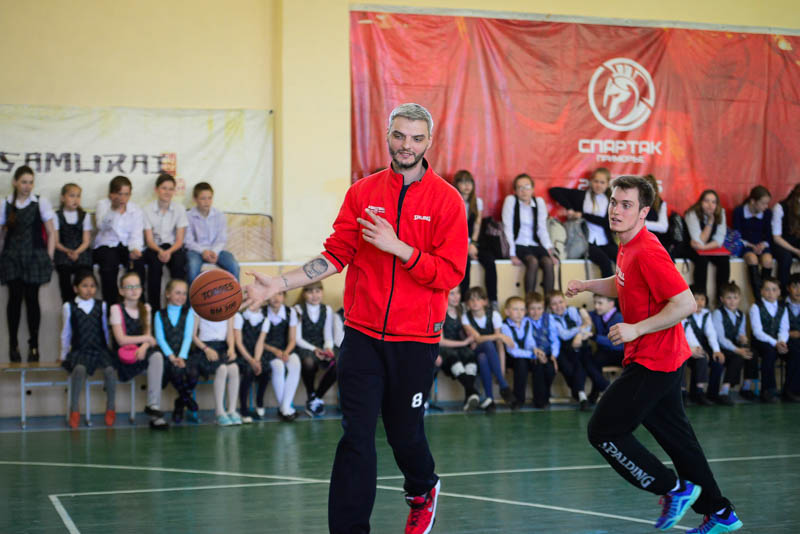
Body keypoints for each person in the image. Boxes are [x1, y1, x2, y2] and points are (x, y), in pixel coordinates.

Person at [244, 103, 467, 534]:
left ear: (429, 142)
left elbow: (450, 273)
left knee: (404, 435)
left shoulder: (447, 200)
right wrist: (278, 284)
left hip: (415, 339)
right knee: (356, 436)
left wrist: (399, 248)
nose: (406, 145)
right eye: (399, 135)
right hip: (362, 335)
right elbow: (335, 254)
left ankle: (423, 488)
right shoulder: (363, 193)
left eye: (416, 138)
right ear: (388, 135)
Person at [567, 175, 742, 533]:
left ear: (644, 212)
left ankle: (673, 489)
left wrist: (636, 329)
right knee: (679, 442)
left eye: (626, 205)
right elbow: (622, 283)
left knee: (603, 431)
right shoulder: (627, 245)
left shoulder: (648, 250)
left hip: (654, 360)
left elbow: (686, 303)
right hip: (662, 358)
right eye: (614, 202)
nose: (616, 210)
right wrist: (587, 285)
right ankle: (721, 513)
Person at [0, 165, 55, 362]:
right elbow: (2, 235)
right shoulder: (5, 203)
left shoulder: (40, 202)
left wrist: (49, 257)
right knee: (14, 299)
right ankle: (13, 344)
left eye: (30, 182)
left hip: (34, 257)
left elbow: (51, 233)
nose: (27, 186)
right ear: (15, 182)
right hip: (12, 257)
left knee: (32, 299)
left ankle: (34, 345)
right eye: (24, 182)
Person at [109, 271, 168, 429]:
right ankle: (155, 412)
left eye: (137, 286)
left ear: (141, 289)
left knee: (157, 357)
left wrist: (143, 347)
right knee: (152, 354)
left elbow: (148, 336)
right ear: (121, 291)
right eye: (129, 287)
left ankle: (153, 407)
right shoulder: (116, 309)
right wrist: (146, 340)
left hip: (141, 352)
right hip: (123, 355)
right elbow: (121, 339)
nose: (134, 290)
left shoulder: (146, 308)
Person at [60, 270, 116, 428]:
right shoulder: (69, 306)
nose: (89, 289)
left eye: (92, 286)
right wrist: (63, 354)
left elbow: (104, 329)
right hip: (80, 350)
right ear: (75, 288)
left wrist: (107, 348)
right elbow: (66, 332)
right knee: (79, 369)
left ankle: (111, 407)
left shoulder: (101, 305)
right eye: (84, 286)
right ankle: (74, 409)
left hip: (99, 349)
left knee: (110, 370)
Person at [550, 168, 617, 277]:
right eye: (596, 181)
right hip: (585, 242)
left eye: (602, 182)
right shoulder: (581, 196)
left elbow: (607, 222)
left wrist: (583, 215)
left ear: (607, 184)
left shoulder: (611, 200)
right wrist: (570, 209)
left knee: (622, 260)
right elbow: (554, 191)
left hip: (605, 241)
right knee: (605, 262)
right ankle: (606, 289)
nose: (598, 185)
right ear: (591, 181)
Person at [93, 175, 146, 305]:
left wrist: (135, 249)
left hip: (127, 246)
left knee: (138, 264)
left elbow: (136, 234)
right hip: (106, 246)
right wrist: (113, 210)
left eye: (126, 194)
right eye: (119, 194)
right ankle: (112, 307)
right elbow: (101, 226)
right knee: (109, 264)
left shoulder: (136, 210)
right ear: (111, 194)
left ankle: (138, 306)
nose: (123, 198)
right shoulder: (103, 205)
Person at [461, 286, 515, 412]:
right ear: (467, 303)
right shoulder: (465, 317)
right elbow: (478, 339)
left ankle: (489, 399)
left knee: (483, 357)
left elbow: (500, 345)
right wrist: (499, 336)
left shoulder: (494, 315)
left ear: (485, 301)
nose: (475, 302)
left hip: (490, 355)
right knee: (487, 344)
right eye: (471, 299)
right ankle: (504, 387)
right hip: (473, 351)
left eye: (478, 299)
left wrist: (501, 369)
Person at [502, 173, 557, 294]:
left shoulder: (539, 202)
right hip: (518, 244)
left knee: (548, 262)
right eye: (520, 187)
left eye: (527, 187)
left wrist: (550, 250)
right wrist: (512, 254)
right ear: (515, 191)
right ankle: (529, 300)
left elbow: (542, 229)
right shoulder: (511, 201)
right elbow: (508, 229)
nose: (524, 191)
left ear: (532, 189)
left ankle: (550, 301)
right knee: (533, 261)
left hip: (534, 244)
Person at [154, 279, 198, 424]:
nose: (181, 297)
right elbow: (160, 339)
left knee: (193, 373)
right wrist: (172, 357)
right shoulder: (159, 314)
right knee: (175, 371)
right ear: (168, 294)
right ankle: (186, 399)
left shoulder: (188, 313)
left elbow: (187, 337)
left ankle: (180, 402)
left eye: (184, 294)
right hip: (167, 356)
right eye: (177, 293)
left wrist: (181, 357)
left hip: (184, 354)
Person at [143, 172, 188, 308]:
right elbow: (149, 240)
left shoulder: (180, 209)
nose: (167, 192)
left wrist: (168, 252)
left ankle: (178, 307)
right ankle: (154, 309)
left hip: (173, 247)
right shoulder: (147, 210)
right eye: (164, 188)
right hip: (154, 247)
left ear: (174, 191)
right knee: (154, 267)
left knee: (179, 264)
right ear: (156, 189)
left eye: (170, 189)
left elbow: (179, 240)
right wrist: (160, 251)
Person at [455, 170, 499, 308]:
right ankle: (464, 302)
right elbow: (453, 227)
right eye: (463, 182)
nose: (467, 186)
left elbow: (477, 225)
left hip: (474, 242)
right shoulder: (452, 200)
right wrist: (466, 246)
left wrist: (472, 243)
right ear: (457, 184)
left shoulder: (477, 202)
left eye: (469, 182)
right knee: (465, 263)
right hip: (457, 242)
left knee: (490, 261)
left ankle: (493, 300)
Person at [294, 282, 337, 417]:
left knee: (338, 364)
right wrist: (314, 349)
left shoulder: (327, 310)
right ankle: (311, 393)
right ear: (304, 294)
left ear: (322, 292)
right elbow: (297, 338)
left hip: (321, 346)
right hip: (304, 346)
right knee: (308, 362)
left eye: (317, 291)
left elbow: (328, 335)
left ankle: (316, 398)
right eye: (310, 292)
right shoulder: (298, 309)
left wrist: (328, 348)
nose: (314, 295)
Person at [185, 182, 240, 284]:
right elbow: (188, 241)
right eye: (203, 198)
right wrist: (203, 251)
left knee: (234, 265)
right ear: (195, 199)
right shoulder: (188, 216)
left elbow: (222, 239)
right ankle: (192, 295)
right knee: (192, 266)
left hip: (217, 251)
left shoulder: (219, 215)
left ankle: (235, 294)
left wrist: (214, 252)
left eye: (209, 198)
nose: (207, 202)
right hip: (196, 251)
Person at [191, 314, 241, 425]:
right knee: (222, 368)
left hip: (222, 347)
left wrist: (231, 348)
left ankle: (232, 410)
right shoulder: (198, 308)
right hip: (204, 348)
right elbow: (193, 336)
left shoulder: (227, 309)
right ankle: (219, 412)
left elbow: (230, 334)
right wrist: (206, 349)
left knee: (234, 368)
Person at [548, 290, 593, 410]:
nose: (558, 306)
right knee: (569, 368)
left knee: (578, 362)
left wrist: (580, 333)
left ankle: (581, 396)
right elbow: (563, 335)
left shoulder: (573, 310)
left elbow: (588, 325)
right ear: (550, 307)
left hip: (580, 344)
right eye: (554, 304)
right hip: (563, 347)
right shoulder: (551, 318)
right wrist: (580, 328)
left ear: (565, 301)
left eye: (560, 302)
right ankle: (579, 394)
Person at [261, 291, 301, 422]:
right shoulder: (262, 312)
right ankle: (286, 409)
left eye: (279, 294)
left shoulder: (290, 312)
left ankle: (284, 407)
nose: (276, 298)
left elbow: (292, 339)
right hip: (267, 350)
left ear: (284, 296)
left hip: (285, 349)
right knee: (278, 367)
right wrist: (274, 351)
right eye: (272, 294)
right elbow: (258, 340)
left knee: (295, 363)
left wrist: (286, 352)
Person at [439, 286, 480, 411]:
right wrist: (464, 343)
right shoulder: (440, 312)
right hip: (446, 349)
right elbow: (441, 341)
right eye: (452, 294)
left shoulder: (462, 310)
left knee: (470, 355)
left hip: (461, 347)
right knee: (453, 357)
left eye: (458, 293)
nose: (456, 297)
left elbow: (467, 331)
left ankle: (470, 397)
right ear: (445, 295)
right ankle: (472, 391)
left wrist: (471, 340)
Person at [749, 277, 789, 403]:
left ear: (779, 292)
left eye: (774, 290)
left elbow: (784, 328)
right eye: (767, 289)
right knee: (770, 352)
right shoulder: (756, 307)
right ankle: (768, 390)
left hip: (778, 341)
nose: (770, 293)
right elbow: (757, 332)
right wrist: (775, 343)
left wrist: (782, 342)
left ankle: (791, 390)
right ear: (761, 291)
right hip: (760, 342)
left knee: (794, 352)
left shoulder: (783, 307)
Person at [710, 281, 751, 405]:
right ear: (722, 299)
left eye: (735, 298)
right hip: (720, 347)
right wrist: (738, 350)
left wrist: (742, 338)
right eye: (729, 298)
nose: (732, 301)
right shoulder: (718, 313)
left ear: (739, 299)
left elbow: (740, 332)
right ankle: (725, 390)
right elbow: (720, 338)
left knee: (751, 353)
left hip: (733, 345)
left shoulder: (741, 314)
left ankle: (747, 387)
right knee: (737, 357)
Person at [684, 189, 730, 297]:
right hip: (691, 247)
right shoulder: (692, 213)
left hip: (708, 247)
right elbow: (699, 240)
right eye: (706, 201)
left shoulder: (721, 212)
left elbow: (719, 240)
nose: (710, 205)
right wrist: (710, 222)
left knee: (724, 259)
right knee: (702, 260)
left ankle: (721, 298)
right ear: (700, 202)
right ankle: (702, 298)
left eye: (713, 202)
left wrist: (704, 248)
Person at [681, 291, 723, 406]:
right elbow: (684, 337)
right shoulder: (683, 314)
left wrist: (714, 350)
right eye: (696, 299)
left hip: (694, 348)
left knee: (703, 358)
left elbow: (710, 333)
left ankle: (699, 392)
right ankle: (682, 393)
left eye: (702, 299)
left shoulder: (706, 314)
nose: (699, 302)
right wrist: (690, 350)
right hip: (682, 349)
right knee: (681, 361)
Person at [53, 183, 93, 303]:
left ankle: (84, 304)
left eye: (78, 196)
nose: (75, 199)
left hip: (81, 252)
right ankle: (68, 304)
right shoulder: (56, 216)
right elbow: (56, 241)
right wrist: (68, 251)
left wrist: (76, 252)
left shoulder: (84, 216)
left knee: (84, 276)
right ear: (63, 198)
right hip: (63, 251)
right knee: (64, 278)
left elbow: (86, 241)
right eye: (72, 196)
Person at [233, 300, 272, 422]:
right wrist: (251, 361)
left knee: (266, 370)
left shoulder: (265, 319)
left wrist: (257, 360)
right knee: (248, 371)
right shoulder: (239, 317)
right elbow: (238, 342)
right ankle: (243, 409)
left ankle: (259, 401)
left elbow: (260, 342)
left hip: (256, 355)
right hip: (242, 354)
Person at [733, 186, 773, 295]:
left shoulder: (767, 213)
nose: (766, 206)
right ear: (752, 201)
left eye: (767, 203)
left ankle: (766, 294)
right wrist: (750, 245)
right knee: (752, 258)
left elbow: (769, 235)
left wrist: (763, 245)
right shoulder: (739, 211)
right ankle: (758, 296)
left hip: (761, 246)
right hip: (745, 245)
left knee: (768, 260)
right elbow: (736, 235)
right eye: (763, 203)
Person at [587, 294, 624, 403]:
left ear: (611, 304)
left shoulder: (619, 318)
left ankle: (614, 392)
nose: (596, 306)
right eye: (595, 303)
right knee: (589, 362)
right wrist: (583, 314)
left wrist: (594, 337)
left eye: (600, 303)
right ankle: (604, 388)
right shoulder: (597, 315)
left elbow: (615, 342)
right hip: (604, 352)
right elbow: (583, 312)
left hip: (620, 352)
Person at [525, 292, 560, 408]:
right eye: (532, 309)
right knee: (538, 369)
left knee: (550, 370)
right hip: (533, 353)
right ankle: (539, 400)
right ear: (527, 309)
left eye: (539, 308)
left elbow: (554, 339)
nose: (536, 312)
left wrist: (554, 355)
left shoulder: (549, 318)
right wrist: (536, 353)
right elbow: (528, 340)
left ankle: (545, 395)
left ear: (543, 308)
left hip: (548, 352)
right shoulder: (526, 321)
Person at [772, 184, 800, 292]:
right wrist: (795, 251)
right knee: (786, 258)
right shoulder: (780, 208)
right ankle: (783, 292)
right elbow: (776, 237)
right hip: (781, 243)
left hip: (796, 242)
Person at [784, 273, 800, 401]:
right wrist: (787, 334)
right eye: (795, 287)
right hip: (784, 342)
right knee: (795, 352)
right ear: (788, 288)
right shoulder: (780, 304)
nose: (798, 291)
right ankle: (791, 391)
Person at [643, 175, 670, 248]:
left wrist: (641, 223)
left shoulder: (661, 203)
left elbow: (663, 227)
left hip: (655, 242)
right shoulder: (635, 202)